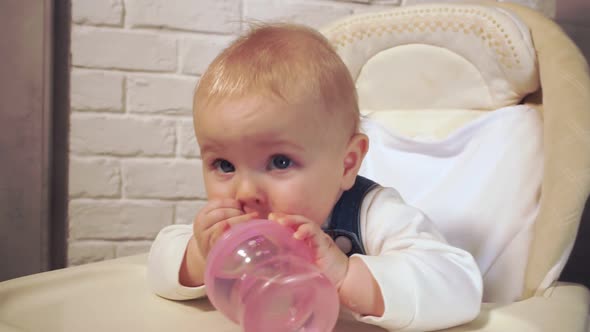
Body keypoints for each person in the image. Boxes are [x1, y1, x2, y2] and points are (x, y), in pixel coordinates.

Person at [147, 23, 482, 331]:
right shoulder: (232, 225)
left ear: (347, 164)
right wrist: (199, 255)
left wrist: (348, 275)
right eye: (224, 165)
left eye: (279, 161)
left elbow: (459, 283)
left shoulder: (374, 213)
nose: (245, 191)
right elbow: (159, 259)